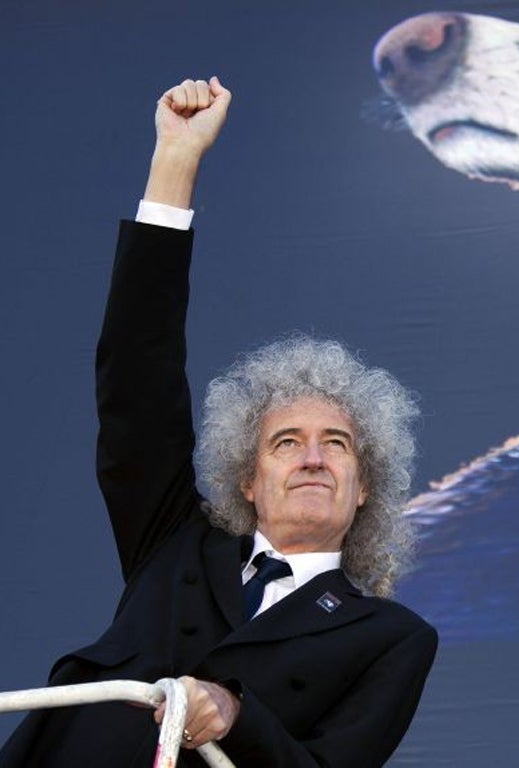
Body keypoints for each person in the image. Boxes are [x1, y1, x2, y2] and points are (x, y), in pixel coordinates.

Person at [0, 77, 436, 767]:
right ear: (247, 483)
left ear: (364, 489)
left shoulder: (391, 636)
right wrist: (175, 161)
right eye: (286, 442)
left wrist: (233, 714)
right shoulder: (174, 540)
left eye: (338, 444)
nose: (313, 458)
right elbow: (136, 376)